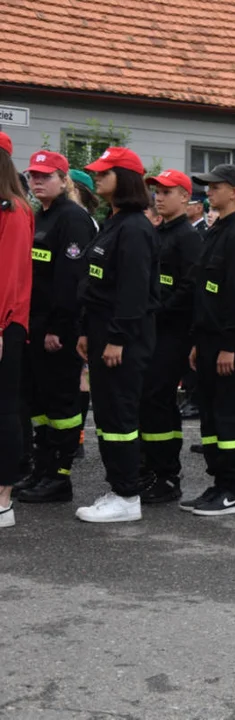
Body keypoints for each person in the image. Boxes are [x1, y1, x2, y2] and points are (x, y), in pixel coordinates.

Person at [74, 147, 158, 523]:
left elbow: (133, 291)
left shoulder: (136, 228)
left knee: (119, 415)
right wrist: (86, 331)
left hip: (122, 337)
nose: (98, 178)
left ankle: (127, 496)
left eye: (105, 173)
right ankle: (119, 487)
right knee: (108, 414)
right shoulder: (115, 221)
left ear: (123, 179)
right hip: (102, 331)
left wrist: (117, 338)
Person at [15, 149, 97, 505]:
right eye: (33, 175)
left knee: (62, 405)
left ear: (64, 180)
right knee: (38, 403)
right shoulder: (39, 216)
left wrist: (58, 328)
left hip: (57, 330)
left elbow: (71, 281)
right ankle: (43, 468)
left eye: (46, 176)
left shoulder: (72, 219)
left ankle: (60, 476)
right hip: (34, 325)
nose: (37, 181)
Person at [181, 164, 235, 516]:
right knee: (212, 418)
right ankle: (217, 482)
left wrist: (229, 345)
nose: (208, 192)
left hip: (231, 344)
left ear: (234, 192)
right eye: (207, 187)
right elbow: (206, 291)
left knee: (230, 417)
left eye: (215, 187)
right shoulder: (216, 232)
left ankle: (232, 488)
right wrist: (200, 342)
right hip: (209, 340)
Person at [138, 170, 202, 504]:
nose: (158, 197)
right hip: (154, 330)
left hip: (173, 332)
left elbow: (190, 287)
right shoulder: (159, 232)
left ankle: (167, 476)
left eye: (166, 192)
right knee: (150, 402)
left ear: (184, 197)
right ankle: (152, 467)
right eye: (156, 192)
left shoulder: (187, 237)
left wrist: (157, 310)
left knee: (158, 401)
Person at [0, 132, 35, 528]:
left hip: (5, 323)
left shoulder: (11, 209)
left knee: (5, 410)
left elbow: (8, 276)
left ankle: (3, 499)